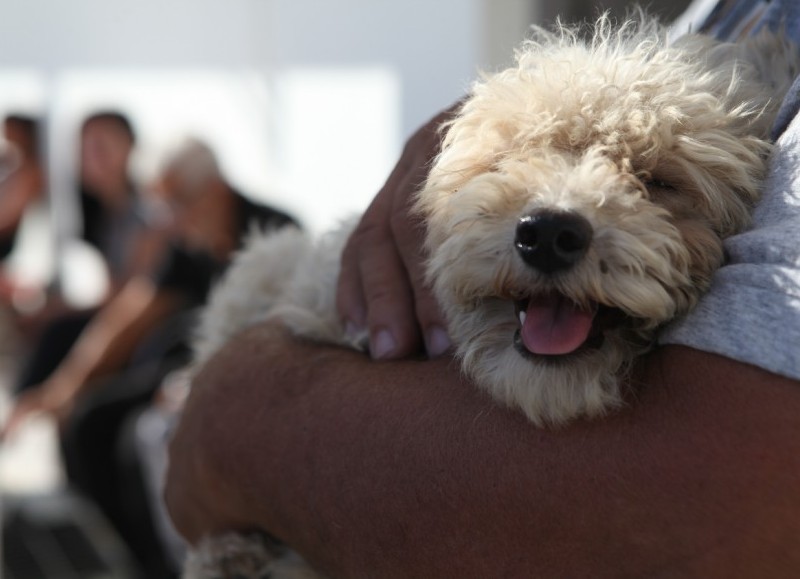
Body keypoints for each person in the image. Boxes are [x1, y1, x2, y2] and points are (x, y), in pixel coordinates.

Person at [165, 1, 800, 577]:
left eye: (656, 183)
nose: (555, 214)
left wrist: (240, 421)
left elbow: (709, 526)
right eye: (506, 165)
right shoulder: (722, 25)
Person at [1, 139, 297, 577]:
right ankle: (129, 562)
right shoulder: (186, 239)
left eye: (176, 204)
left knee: (147, 435)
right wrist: (62, 389)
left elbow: (286, 334)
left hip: (254, 377)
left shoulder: (274, 233)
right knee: (89, 421)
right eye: (163, 207)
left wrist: (201, 380)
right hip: (188, 367)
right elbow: (132, 315)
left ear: (213, 190)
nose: (169, 221)